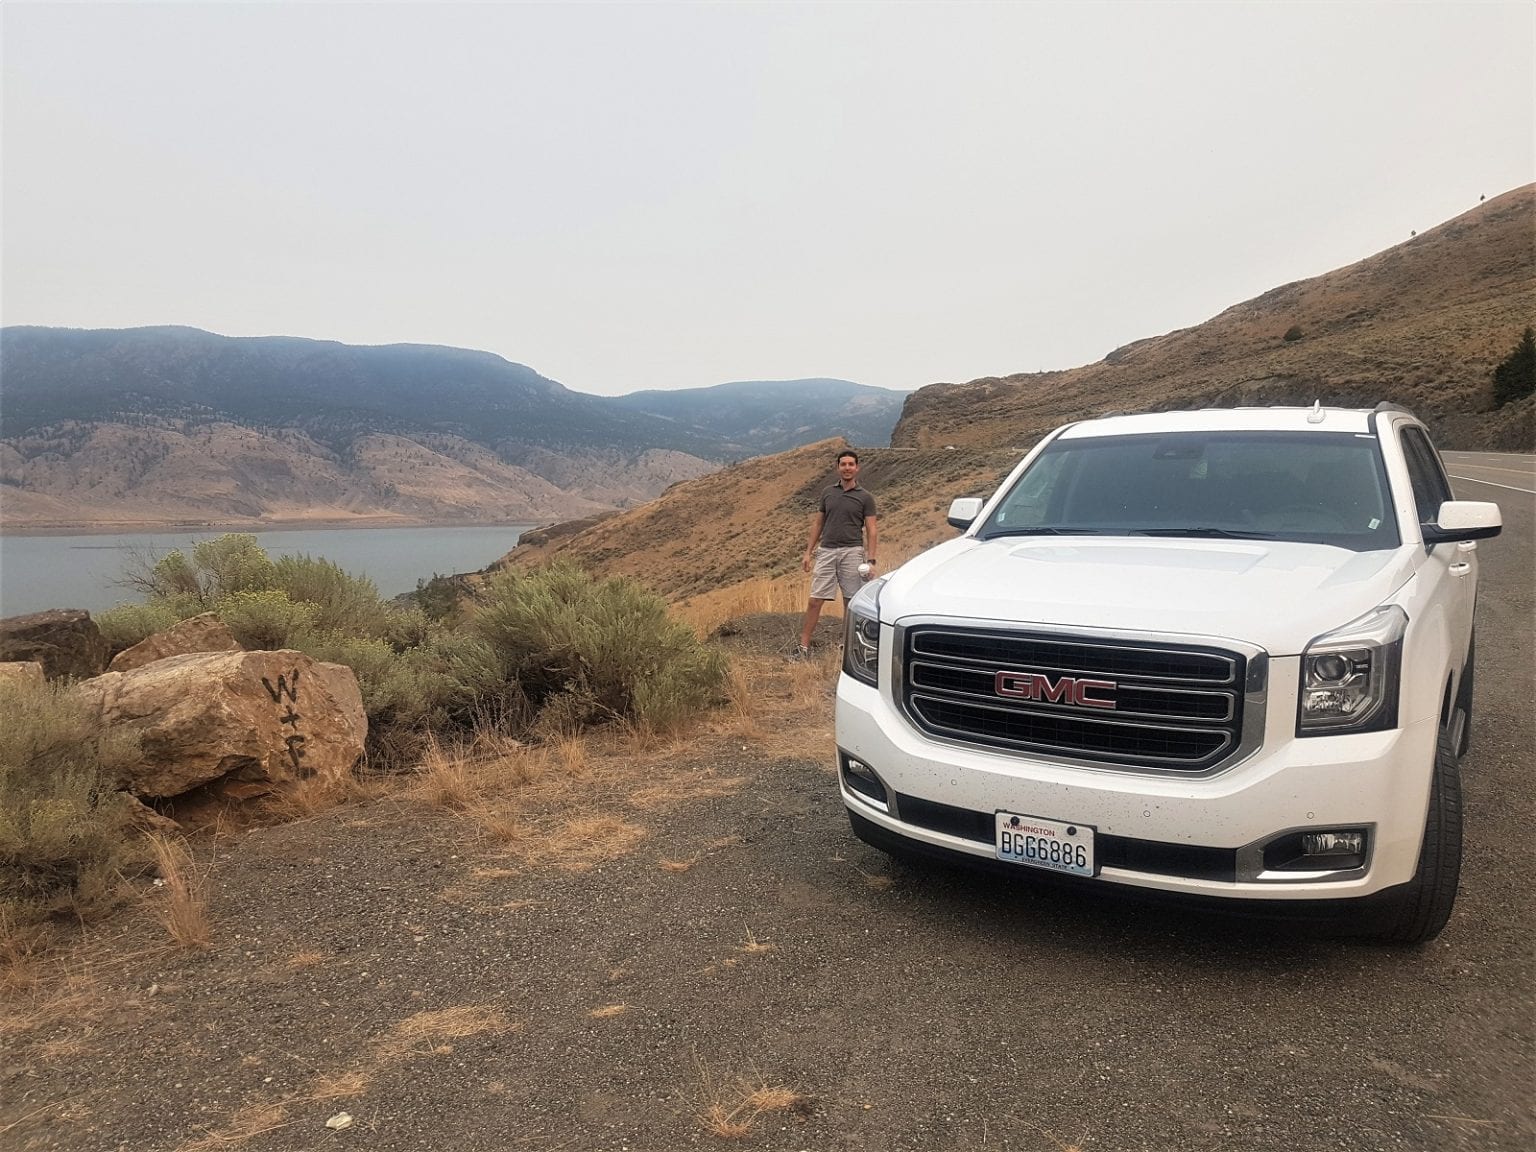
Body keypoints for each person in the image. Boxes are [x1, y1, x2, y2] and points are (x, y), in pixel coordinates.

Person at [798, 449, 878, 658]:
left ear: (857, 468)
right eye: (843, 464)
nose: (847, 468)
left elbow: (872, 530)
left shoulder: (866, 497)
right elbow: (818, 523)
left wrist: (871, 561)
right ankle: (803, 647)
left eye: (851, 464)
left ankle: (848, 646)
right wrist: (808, 552)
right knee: (815, 600)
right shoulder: (827, 493)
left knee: (851, 601)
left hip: (852, 551)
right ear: (838, 468)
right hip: (826, 551)